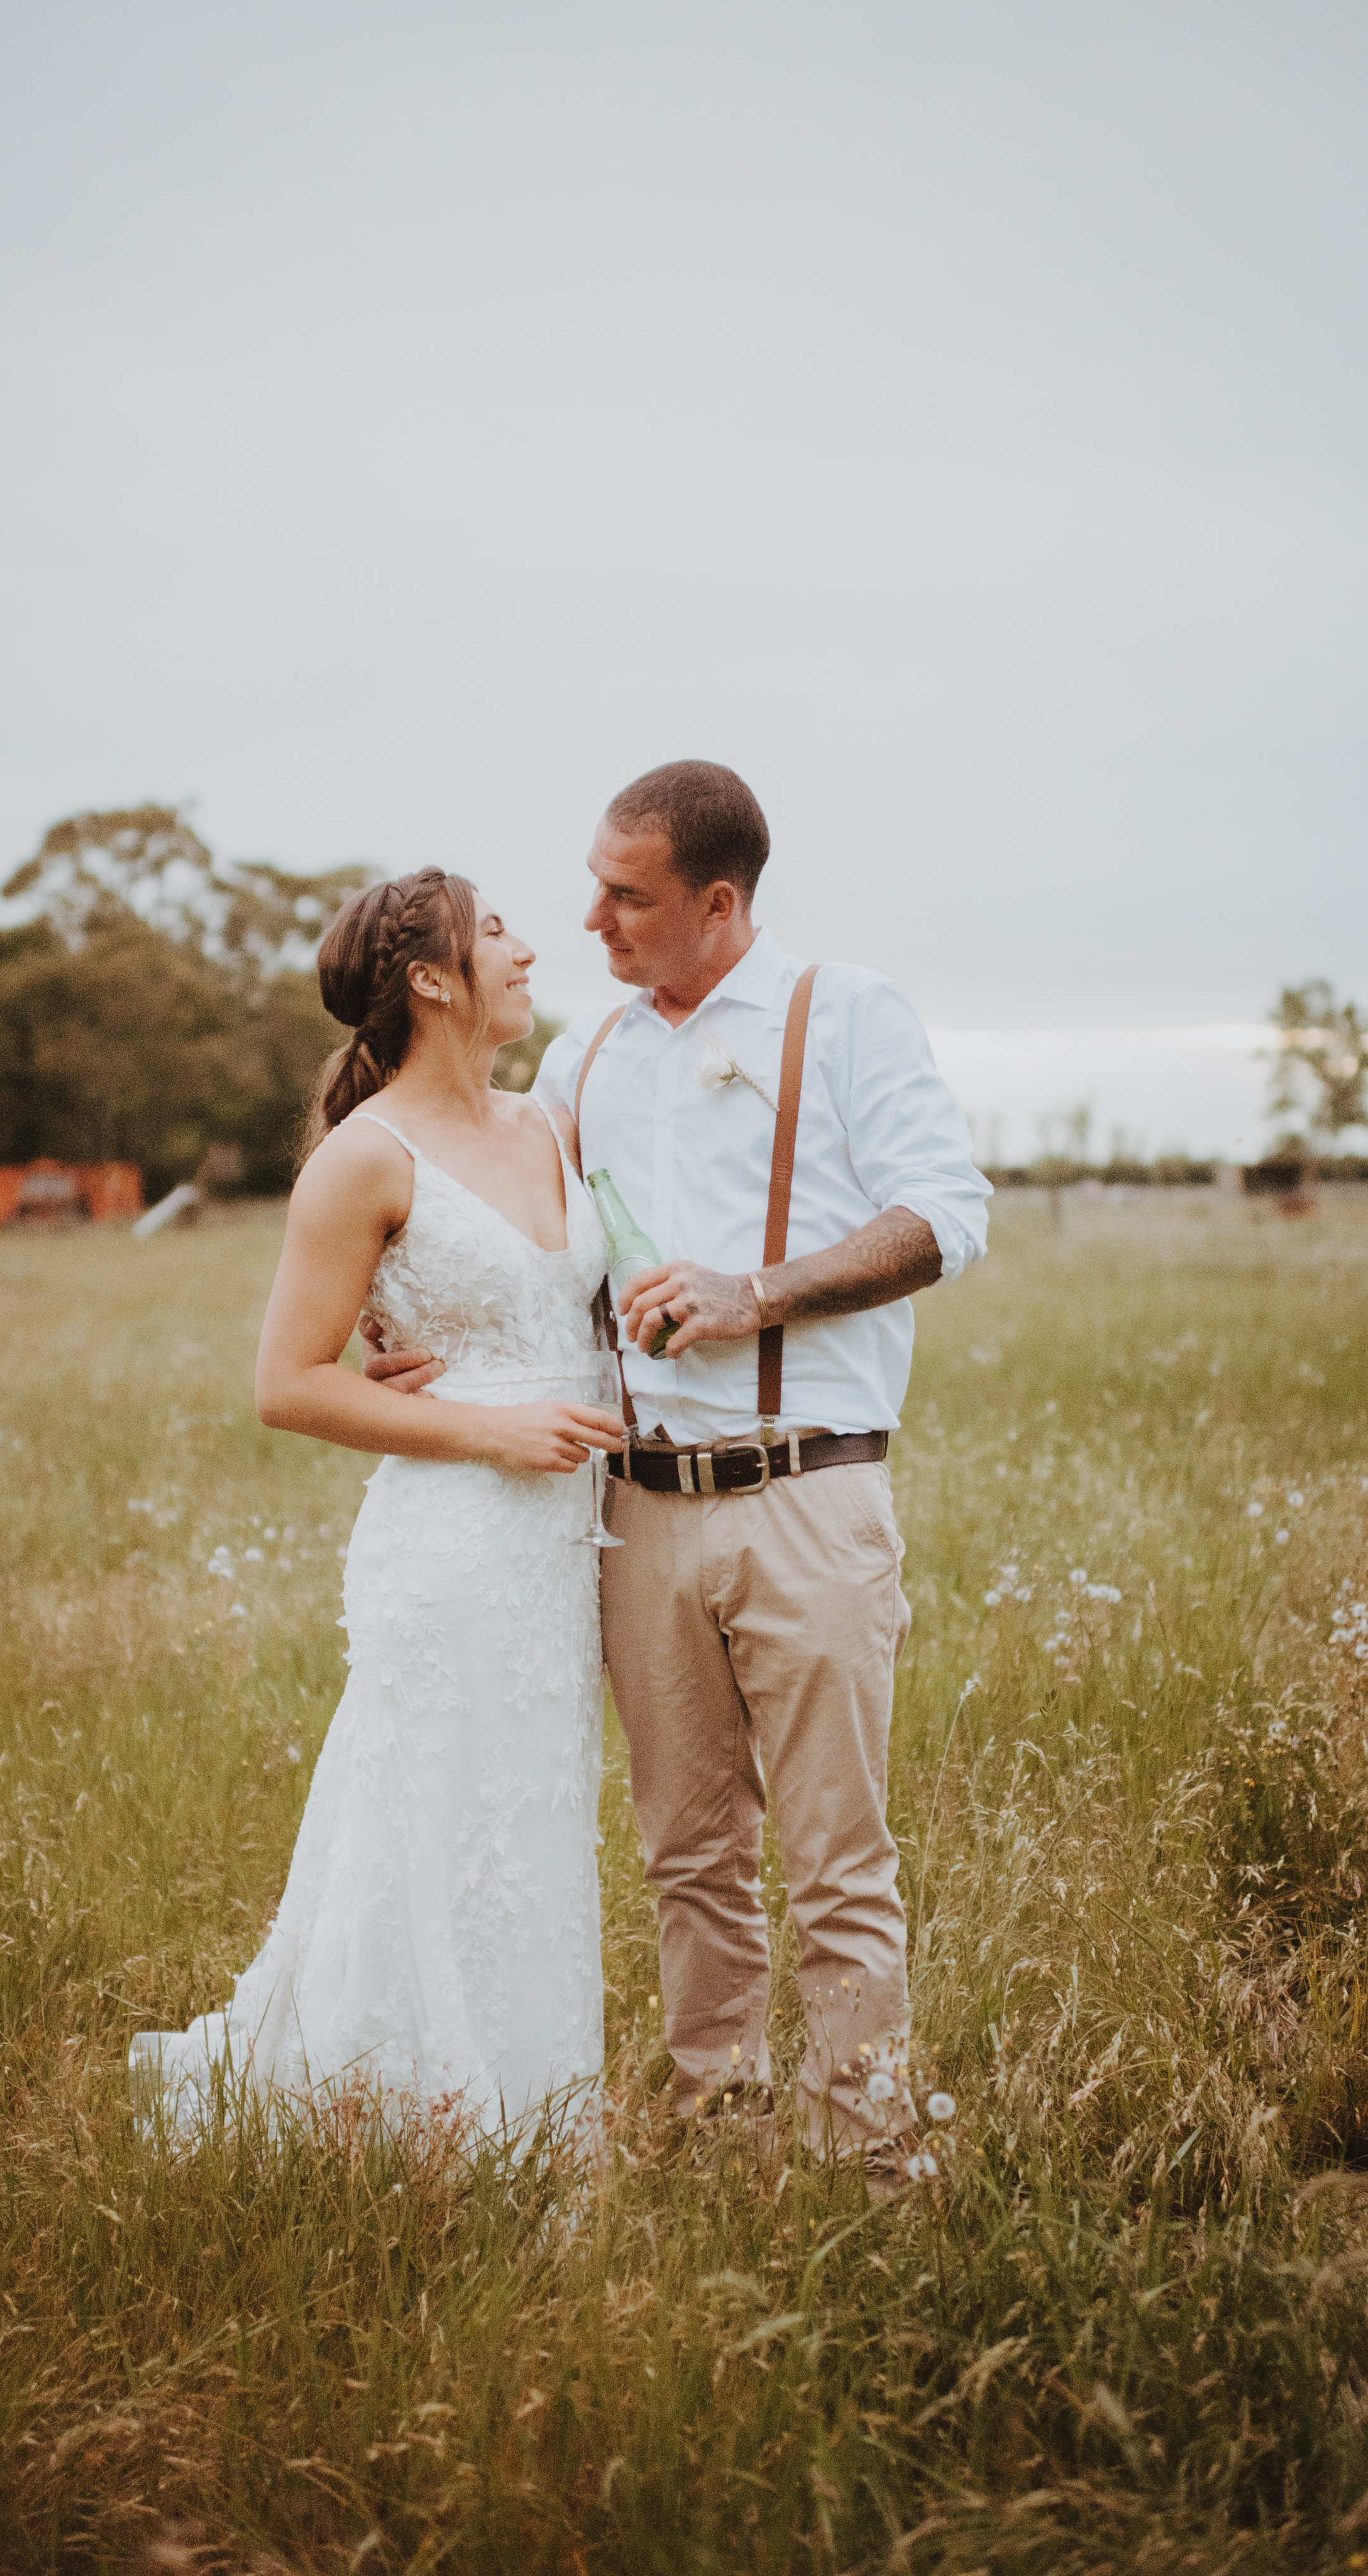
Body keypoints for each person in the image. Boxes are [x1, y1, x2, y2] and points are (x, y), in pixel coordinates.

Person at [369, 765, 990, 2175]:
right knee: (688, 1856)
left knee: (837, 1858)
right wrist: (395, 1321)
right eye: (593, 888)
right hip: (635, 1514)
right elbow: (495, 1216)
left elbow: (947, 1215)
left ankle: (868, 2154)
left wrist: (752, 1293)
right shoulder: (584, 1059)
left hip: (809, 1494)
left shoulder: (845, 1013)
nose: (591, 920)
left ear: (718, 902)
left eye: (626, 896)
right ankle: (722, 2135)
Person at [129, 868, 622, 2141]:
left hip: (562, 1546)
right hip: (453, 1540)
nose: (527, 948)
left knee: (532, 1816)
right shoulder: (364, 1159)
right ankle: (407, 2109)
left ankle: (539, 2110)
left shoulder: (550, 1125)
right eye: (496, 931)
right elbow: (287, 1384)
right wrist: (493, 1428)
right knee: (434, 1815)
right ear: (432, 979)